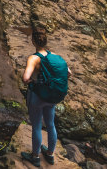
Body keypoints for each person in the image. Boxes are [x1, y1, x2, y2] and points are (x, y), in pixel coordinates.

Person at [21, 26, 64, 165]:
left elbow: (25, 78)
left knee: (37, 126)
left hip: (38, 97)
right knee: (51, 125)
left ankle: (35, 157)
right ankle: (50, 154)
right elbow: (68, 72)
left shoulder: (34, 58)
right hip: (52, 96)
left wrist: (33, 80)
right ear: (45, 41)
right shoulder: (55, 57)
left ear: (33, 41)